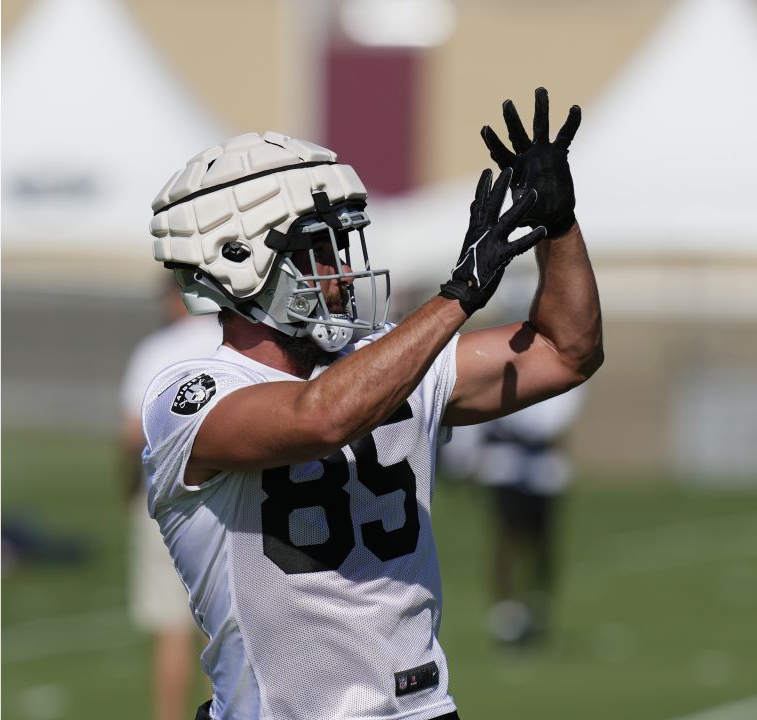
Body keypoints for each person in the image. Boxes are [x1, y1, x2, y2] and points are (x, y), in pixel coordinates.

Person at [140, 87, 601, 720]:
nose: (339, 269)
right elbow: (320, 417)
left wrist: (559, 227)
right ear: (236, 260)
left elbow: (564, 349)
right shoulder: (191, 395)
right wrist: (458, 295)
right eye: (317, 248)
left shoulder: (385, 357)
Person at [118, 275, 221, 720]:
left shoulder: (157, 350)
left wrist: (126, 486)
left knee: (171, 630)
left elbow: (129, 433)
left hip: (164, 498)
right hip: (226, 499)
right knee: (220, 634)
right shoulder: (231, 343)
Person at [450, 386, 588, 648]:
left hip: (542, 461)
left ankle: (538, 606)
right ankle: (506, 616)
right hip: (504, 459)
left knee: (543, 541)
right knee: (506, 535)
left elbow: (561, 413)